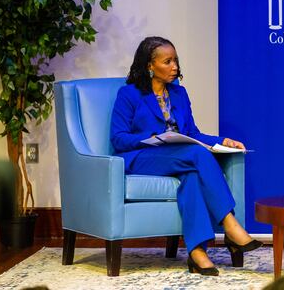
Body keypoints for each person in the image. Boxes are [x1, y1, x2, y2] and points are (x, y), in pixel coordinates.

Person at [110, 36, 261, 276]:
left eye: (176, 61)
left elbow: (192, 133)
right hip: (143, 157)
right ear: (150, 65)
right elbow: (117, 139)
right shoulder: (128, 95)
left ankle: (197, 252)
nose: (175, 67)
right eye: (167, 61)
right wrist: (150, 137)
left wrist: (223, 141)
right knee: (195, 154)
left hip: (180, 156)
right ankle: (230, 224)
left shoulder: (179, 94)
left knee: (191, 174)